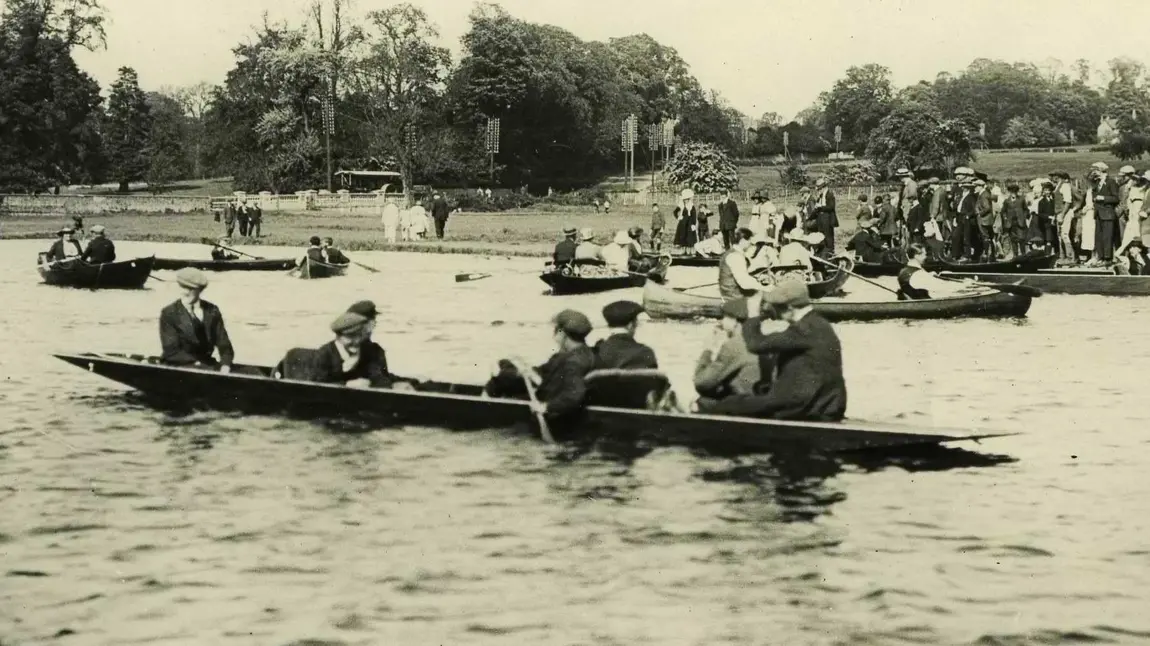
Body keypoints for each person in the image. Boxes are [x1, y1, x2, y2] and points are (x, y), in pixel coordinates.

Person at [697, 281, 846, 421]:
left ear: (789, 308)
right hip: (827, 403)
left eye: (777, 307)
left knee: (729, 404)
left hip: (802, 405)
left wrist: (754, 315)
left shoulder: (804, 329)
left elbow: (756, 344)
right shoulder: (819, 324)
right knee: (750, 400)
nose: (774, 312)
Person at [485, 309, 597, 421]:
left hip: (550, 405)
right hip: (546, 392)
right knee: (505, 368)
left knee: (497, 384)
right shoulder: (579, 353)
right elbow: (545, 372)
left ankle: (485, 403)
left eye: (556, 329)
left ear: (562, 333)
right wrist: (526, 371)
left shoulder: (574, 361)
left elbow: (573, 394)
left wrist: (546, 407)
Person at [276, 310, 406, 389]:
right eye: (350, 337)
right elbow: (317, 386)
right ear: (338, 336)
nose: (356, 341)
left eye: (359, 336)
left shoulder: (366, 352)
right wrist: (347, 385)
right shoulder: (325, 354)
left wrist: (393, 386)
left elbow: (377, 377)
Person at [692, 297, 764, 405]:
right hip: (759, 400)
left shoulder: (735, 345)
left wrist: (708, 350)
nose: (720, 322)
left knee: (701, 402)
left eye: (723, 317)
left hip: (743, 406)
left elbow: (701, 383)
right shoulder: (761, 339)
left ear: (734, 321)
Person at [159, 268, 234, 371]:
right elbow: (171, 351)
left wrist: (226, 364)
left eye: (191, 289)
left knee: (250, 371)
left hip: (207, 364)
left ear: (200, 290)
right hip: (178, 365)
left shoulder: (212, 310)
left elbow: (224, 345)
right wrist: (198, 364)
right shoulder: (169, 313)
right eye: (183, 287)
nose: (185, 292)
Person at [593, 300, 658, 370]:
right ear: (630, 325)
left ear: (609, 326)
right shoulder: (646, 353)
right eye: (636, 322)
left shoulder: (597, 353)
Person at [897, 244, 974, 300]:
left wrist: (928, 275)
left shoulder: (903, 271)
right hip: (924, 303)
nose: (926, 257)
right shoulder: (918, 274)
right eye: (924, 254)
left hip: (915, 299)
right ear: (917, 256)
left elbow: (919, 280)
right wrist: (964, 285)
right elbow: (941, 287)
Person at [810, 178, 838, 257]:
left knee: (828, 237)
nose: (819, 191)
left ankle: (830, 253)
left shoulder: (830, 194)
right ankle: (823, 252)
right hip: (821, 219)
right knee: (821, 235)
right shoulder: (821, 195)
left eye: (820, 189)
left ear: (824, 187)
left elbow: (831, 207)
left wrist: (821, 207)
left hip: (827, 218)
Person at [1001, 183, 1029, 257]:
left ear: (1017, 192)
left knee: (1021, 239)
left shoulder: (1021, 199)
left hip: (1020, 223)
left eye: (1015, 192)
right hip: (1011, 223)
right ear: (1009, 192)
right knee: (1013, 240)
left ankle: (1023, 255)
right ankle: (1015, 256)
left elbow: (1026, 209)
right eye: (1012, 192)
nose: (1013, 194)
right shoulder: (1006, 201)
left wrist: (1024, 217)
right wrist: (1005, 218)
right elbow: (1003, 211)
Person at [974, 179, 995, 260]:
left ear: (980, 186)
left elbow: (987, 207)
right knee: (989, 237)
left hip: (984, 220)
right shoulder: (985, 193)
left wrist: (980, 213)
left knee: (985, 237)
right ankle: (990, 254)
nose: (975, 188)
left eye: (976, 186)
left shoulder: (983, 195)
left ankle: (987, 254)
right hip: (987, 219)